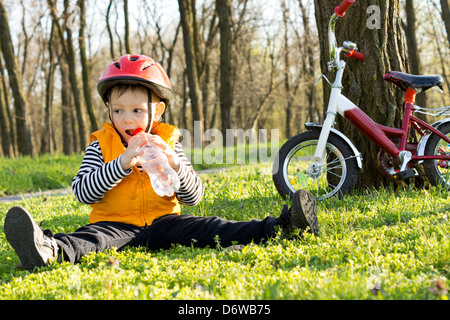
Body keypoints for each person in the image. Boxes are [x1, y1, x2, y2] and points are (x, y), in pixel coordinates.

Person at [3, 54, 319, 271]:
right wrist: (122, 162)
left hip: (166, 222)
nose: (127, 119)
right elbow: (83, 192)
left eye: (137, 111)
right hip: (116, 225)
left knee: (211, 227)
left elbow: (193, 196)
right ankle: (49, 250)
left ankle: (283, 226)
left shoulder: (168, 143)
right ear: (109, 110)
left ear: (158, 111)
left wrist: (175, 165)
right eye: (118, 111)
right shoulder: (101, 145)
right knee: (92, 239)